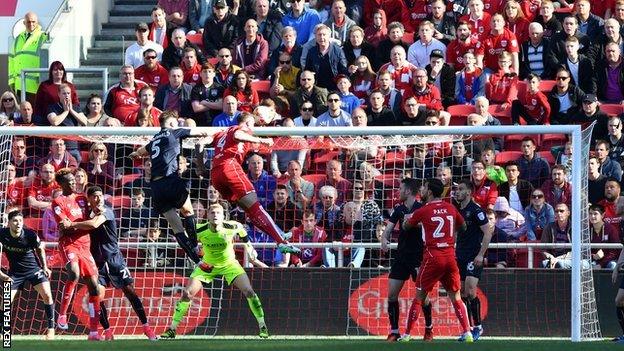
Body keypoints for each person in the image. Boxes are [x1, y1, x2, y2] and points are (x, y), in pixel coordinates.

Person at [59, 186, 156, 340]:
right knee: (97, 295)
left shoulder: (107, 211)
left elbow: (94, 224)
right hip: (97, 263)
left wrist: (72, 224)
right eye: (95, 197)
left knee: (130, 293)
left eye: (100, 196)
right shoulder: (85, 215)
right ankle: (108, 330)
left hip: (114, 259)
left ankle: (147, 328)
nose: (98, 199)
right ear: (89, 199)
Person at [195, 112, 300, 254]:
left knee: (250, 211)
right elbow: (238, 135)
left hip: (216, 175)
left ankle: (279, 236)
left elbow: (199, 143)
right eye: (252, 124)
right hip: (230, 168)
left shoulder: (220, 132)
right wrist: (260, 140)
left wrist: (201, 167)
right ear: (247, 122)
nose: (253, 127)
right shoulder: (239, 129)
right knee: (257, 208)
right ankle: (280, 241)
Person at [160, 203, 269, 339]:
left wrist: (249, 247)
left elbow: (242, 231)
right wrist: (195, 252)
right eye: (212, 213)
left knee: (249, 291)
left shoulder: (232, 226)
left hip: (230, 265)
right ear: (208, 215)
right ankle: (172, 329)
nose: (215, 215)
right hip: (207, 266)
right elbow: (187, 240)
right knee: (187, 294)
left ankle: (262, 325)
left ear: (223, 216)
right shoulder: (200, 229)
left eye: (218, 213)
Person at [129, 111, 209, 264]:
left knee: (177, 228)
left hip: (156, 187)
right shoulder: (174, 132)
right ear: (172, 123)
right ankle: (196, 247)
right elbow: (197, 131)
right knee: (188, 211)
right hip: (171, 180)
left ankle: (197, 262)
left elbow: (140, 152)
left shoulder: (154, 141)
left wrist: (134, 154)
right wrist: (206, 135)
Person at [401, 178, 473, 342]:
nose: (422, 190)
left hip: (433, 256)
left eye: (425, 187)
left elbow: (406, 227)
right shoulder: (451, 207)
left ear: (430, 191)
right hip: (450, 256)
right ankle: (467, 332)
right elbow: (463, 227)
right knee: (456, 297)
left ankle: (406, 335)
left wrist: (412, 220)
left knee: (419, 297)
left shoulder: (423, 211)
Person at [379, 178, 433, 341]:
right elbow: (388, 228)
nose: (398, 191)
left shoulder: (422, 208)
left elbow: (427, 227)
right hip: (401, 257)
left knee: (423, 298)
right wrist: (384, 240)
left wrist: (415, 223)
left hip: (418, 257)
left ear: (408, 191)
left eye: (400, 188)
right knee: (392, 295)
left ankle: (429, 329)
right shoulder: (399, 209)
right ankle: (394, 331)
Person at [52, 169, 102, 340]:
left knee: (94, 286)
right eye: (70, 181)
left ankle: (94, 332)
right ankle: (62, 315)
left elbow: (92, 214)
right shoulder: (58, 201)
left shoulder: (82, 198)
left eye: (74, 180)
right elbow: (64, 225)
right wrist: (76, 225)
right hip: (69, 244)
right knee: (74, 272)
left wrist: (96, 210)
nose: (74, 183)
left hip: (85, 246)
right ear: (62, 183)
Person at [0, 210, 55, 340]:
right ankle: (2, 331)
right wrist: (4, 276)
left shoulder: (30, 235)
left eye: (20, 220)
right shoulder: (2, 234)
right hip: (15, 273)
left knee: (47, 295)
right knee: (6, 300)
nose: (18, 223)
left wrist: (45, 267)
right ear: (8, 223)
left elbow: (40, 249)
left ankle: (51, 330)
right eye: (15, 221)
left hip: (33, 270)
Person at [454, 179, 493, 340]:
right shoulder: (458, 211)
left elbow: (487, 232)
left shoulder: (476, 210)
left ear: (469, 192)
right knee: (462, 292)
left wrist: (480, 254)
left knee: (470, 290)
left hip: (473, 256)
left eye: (461, 189)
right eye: (457, 190)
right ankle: (467, 328)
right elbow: (457, 233)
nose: (457, 192)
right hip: (460, 255)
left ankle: (478, 327)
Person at [8, 12, 48, 103]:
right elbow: (11, 60)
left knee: (36, 115)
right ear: (24, 23)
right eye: (28, 22)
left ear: (37, 22)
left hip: (36, 86)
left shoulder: (43, 36)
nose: (31, 24)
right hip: (19, 86)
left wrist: (42, 79)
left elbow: (46, 59)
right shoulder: (18, 38)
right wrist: (11, 81)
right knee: (24, 115)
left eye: (33, 22)